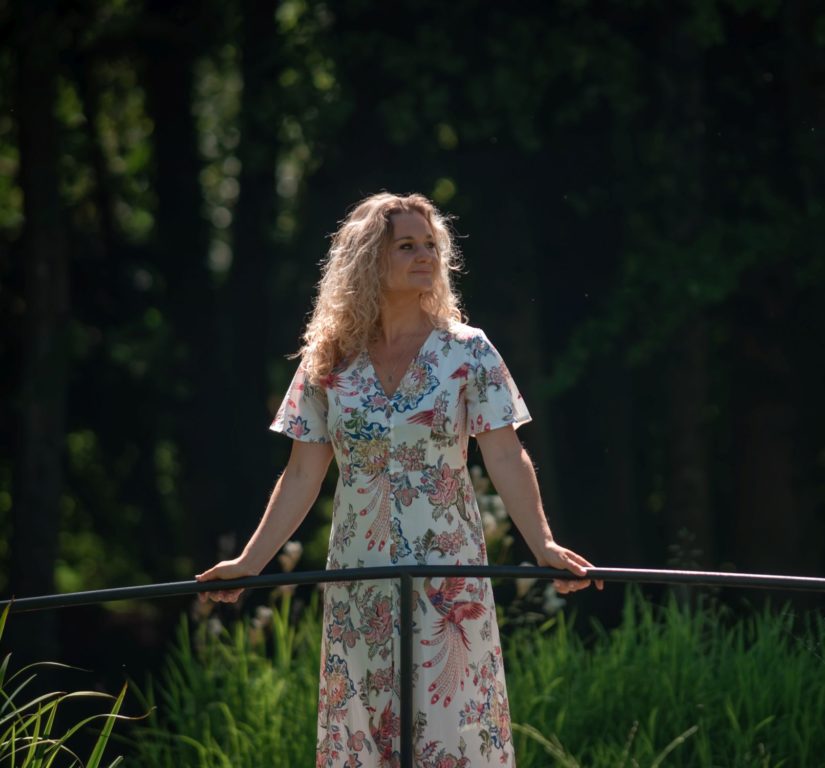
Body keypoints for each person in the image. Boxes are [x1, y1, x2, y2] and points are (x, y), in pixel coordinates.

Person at [196, 192, 601, 767]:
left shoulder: (469, 351)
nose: (425, 255)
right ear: (368, 259)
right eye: (406, 245)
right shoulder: (328, 362)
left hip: (448, 576)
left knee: (452, 731)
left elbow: (506, 456)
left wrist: (544, 545)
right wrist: (249, 563)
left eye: (430, 244)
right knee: (365, 732)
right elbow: (302, 472)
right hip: (360, 577)